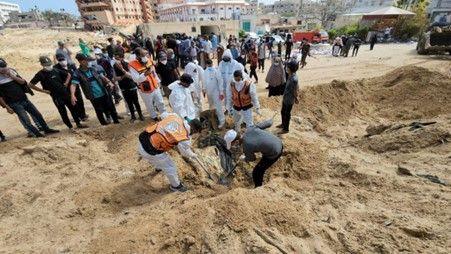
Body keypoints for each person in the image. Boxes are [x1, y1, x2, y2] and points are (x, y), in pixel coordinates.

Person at [138, 113, 202, 192]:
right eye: (195, 133)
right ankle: (176, 186)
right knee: (170, 167)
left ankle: (159, 167)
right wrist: (193, 155)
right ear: (194, 130)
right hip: (150, 151)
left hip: (143, 139)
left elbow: (162, 115)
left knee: (161, 154)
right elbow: (185, 153)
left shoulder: (175, 116)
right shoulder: (184, 138)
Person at [0, 58, 59, 137]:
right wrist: (6, 107)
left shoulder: (12, 71)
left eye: (5, 66)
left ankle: (46, 129)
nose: (4, 68)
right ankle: (36, 134)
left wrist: (11, 76)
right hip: (14, 103)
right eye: (2, 67)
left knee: (38, 115)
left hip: (24, 99)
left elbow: (23, 82)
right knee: (26, 120)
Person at [29, 56, 87, 130]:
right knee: (63, 112)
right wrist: (43, 91)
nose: (49, 66)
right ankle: (70, 127)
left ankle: (78, 123)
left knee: (73, 109)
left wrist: (66, 83)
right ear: (42, 65)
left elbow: (68, 75)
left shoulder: (56, 70)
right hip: (56, 96)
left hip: (65, 93)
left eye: (49, 64)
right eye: (46, 65)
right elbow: (30, 85)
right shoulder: (40, 74)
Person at [225, 121, 283, 187]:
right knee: (262, 153)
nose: (233, 146)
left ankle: (258, 188)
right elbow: (268, 123)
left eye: (232, 144)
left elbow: (252, 159)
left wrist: (244, 158)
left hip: (274, 152)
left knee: (257, 172)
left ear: (237, 141)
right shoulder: (250, 129)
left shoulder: (246, 146)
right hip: (278, 141)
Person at [72, 53, 120, 125]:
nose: (88, 62)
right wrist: (72, 95)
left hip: (103, 92)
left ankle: (116, 121)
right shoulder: (77, 73)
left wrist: (109, 82)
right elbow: (73, 84)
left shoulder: (94, 68)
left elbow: (102, 76)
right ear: (81, 62)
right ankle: (103, 123)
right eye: (86, 61)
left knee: (110, 107)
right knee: (99, 111)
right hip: (93, 96)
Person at [129, 48, 166, 121]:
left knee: (160, 102)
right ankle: (154, 117)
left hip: (155, 85)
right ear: (137, 56)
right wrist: (145, 74)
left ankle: (164, 115)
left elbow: (154, 73)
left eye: (145, 54)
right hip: (145, 89)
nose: (145, 56)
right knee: (149, 104)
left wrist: (158, 82)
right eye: (143, 55)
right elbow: (136, 79)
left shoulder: (148, 60)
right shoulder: (132, 65)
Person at [54, 53, 88, 122]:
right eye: (60, 60)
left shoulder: (71, 65)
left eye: (63, 59)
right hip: (67, 89)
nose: (62, 61)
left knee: (80, 101)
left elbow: (77, 74)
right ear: (58, 60)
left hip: (76, 86)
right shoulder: (56, 68)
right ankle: (78, 116)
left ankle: (83, 115)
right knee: (73, 103)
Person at [113, 51, 144, 122]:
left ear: (122, 57)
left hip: (132, 86)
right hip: (123, 87)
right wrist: (123, 76)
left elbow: (131, 76)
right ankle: (133, 116)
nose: (116, 60)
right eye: (115, 58)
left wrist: (122, 72)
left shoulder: (128, 64)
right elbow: (115, 78)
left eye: (118, 58)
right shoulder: (114, 66)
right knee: (129, 103)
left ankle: (140, 115)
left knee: (136, 102)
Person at [277, 61, 299, 134]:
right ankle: (283, 124)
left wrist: (296, 98)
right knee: (283, 111)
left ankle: (286, 129)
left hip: (289, 99)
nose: (286, 68)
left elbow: (295, 90)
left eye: (288, 67)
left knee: (287, 114)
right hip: (286, 97)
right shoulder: (290, 75)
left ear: (291, 68)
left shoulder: (294, 79)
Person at [202, 59, 225, 129]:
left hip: (216, 92)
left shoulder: (216, 71)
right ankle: (213, 120)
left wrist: (221, 92)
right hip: (209, 93)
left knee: (219, 107)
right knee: (211, 107)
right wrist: (204, 90)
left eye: (209, 65)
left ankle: (222, 121)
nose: (209, 66)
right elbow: (204, 82)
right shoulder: (205, 72)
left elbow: (220, 81)